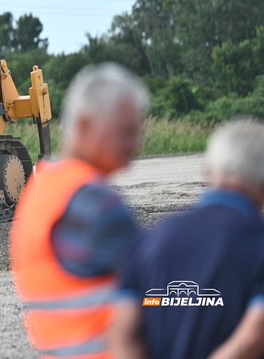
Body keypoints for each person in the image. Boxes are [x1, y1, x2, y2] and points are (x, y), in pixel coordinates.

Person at [10, 63, 149, 359]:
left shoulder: (42, 190)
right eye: (126, 132)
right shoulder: (94, 203)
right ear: (85, 125)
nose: (136, 144)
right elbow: (160, 294)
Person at [111, 119, 264, 359]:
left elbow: (122, 334)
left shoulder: (149, 239)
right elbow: (254, 334)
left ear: (209, 170)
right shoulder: (257, 242)